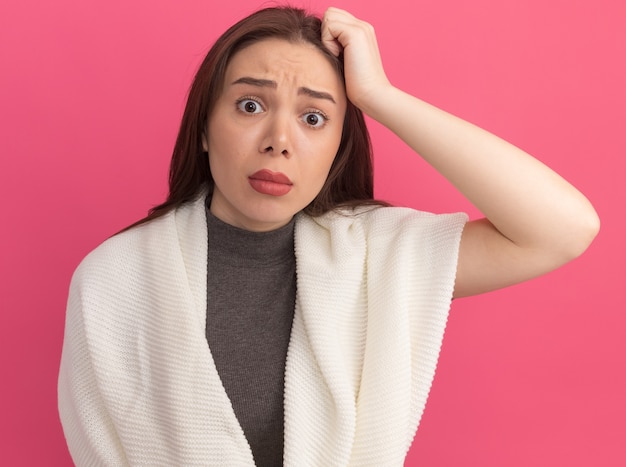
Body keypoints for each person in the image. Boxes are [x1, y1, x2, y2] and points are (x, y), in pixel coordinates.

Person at [58, 6, 599, 466]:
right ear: (203, 127)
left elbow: (563, 230)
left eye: (314, 118)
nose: (279, 141)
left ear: (340, 146)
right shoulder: (114, 280)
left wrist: (379, 96)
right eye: (250, 105)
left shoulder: (377, 259)